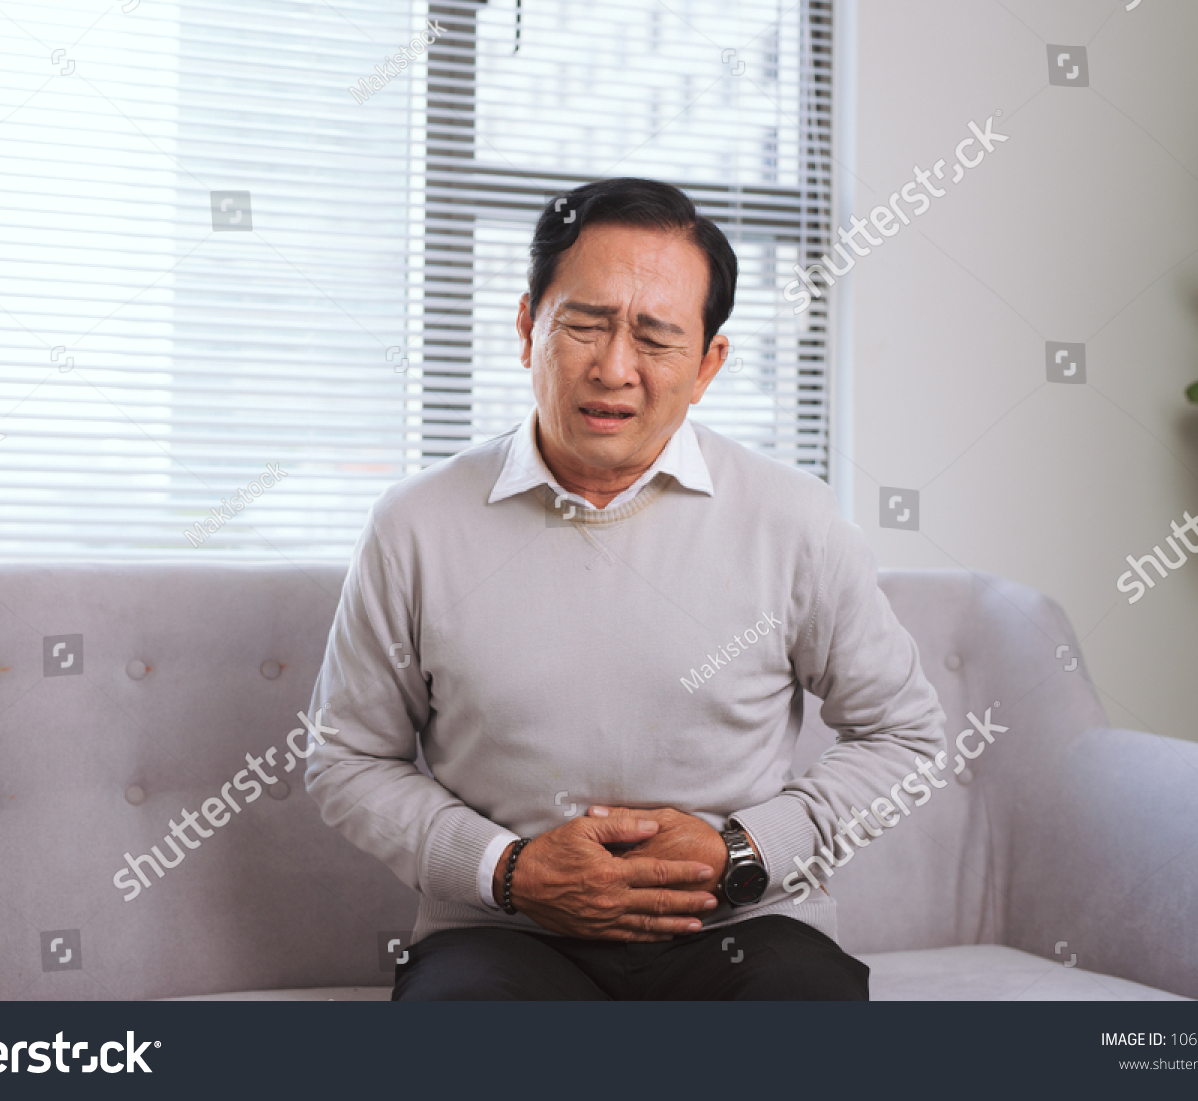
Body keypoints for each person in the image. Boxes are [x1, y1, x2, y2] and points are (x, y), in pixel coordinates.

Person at [305, 177, 946, 1000]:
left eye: (655, 337)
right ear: (527, 327)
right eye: (584, 324)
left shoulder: (796, 519)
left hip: (741, 928)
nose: (614, 368)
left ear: (707, 365)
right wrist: (508, 869)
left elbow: (905, 734)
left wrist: (744, 850)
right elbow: (347, 755)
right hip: (505, 932)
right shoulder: (414, 524)